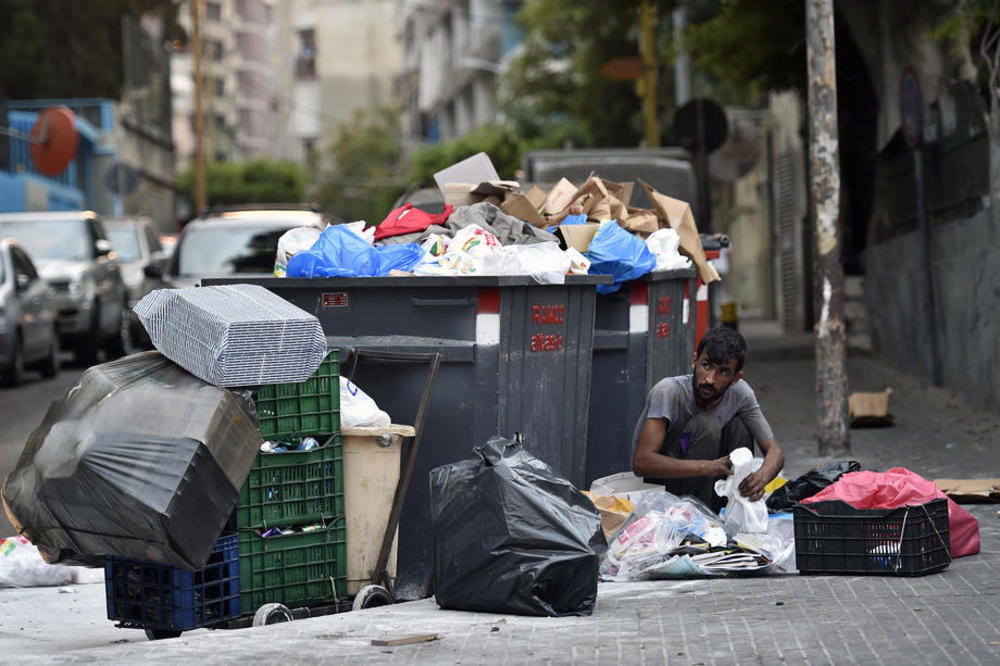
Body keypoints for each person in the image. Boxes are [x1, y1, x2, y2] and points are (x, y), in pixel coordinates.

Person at [631, 326, 784, 511]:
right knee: (707, 424)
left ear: (735, 378)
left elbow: (775, 451)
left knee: (740, 426)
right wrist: (703, 467)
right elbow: (641, 463)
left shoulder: (741, 394)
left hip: (710, 483)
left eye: (723, 372)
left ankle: (732, 511)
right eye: (707, 366)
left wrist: (760, 478)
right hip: (667, 491)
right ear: (694, 361)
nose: (710, 379)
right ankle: (696, 518)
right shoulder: (669, 391)